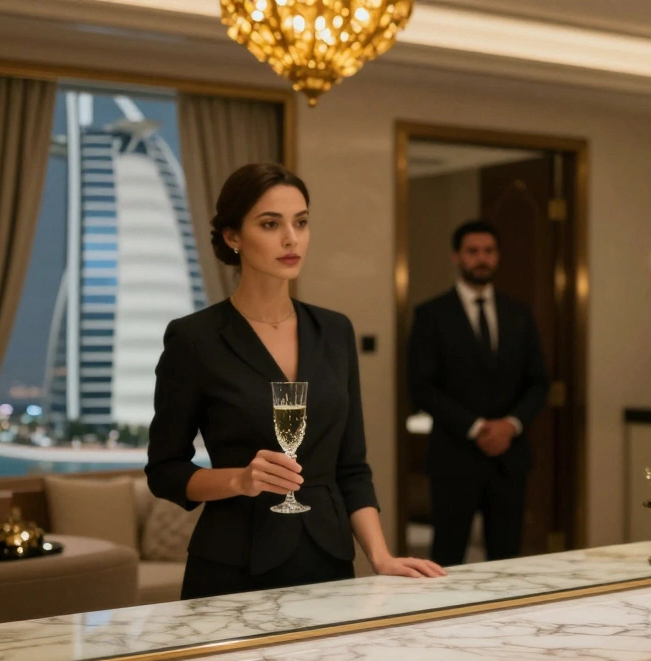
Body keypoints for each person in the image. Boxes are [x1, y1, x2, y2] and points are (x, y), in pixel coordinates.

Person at [146, 162, 444, 600]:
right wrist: (238, 481)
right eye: (270, 224)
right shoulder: (195, 339)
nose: (291, 238)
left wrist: (379, 557)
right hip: (233, 566)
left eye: (301, 223)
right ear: (233, 237)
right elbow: (164, 470)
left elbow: (352, 467)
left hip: (327, 559)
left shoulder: (335, 331)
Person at [407, 220, 549, 566]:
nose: (481, 259)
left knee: (507, 558)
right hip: (454, 455)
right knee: (448, 555)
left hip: (509, 457)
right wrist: (476, 427)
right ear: (457, 257)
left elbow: (539, 381)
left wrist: (510, 425)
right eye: (473, 251)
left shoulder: (519, 314)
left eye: (488, 251)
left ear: (497, 257)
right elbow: (420, 387)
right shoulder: (431, 315)